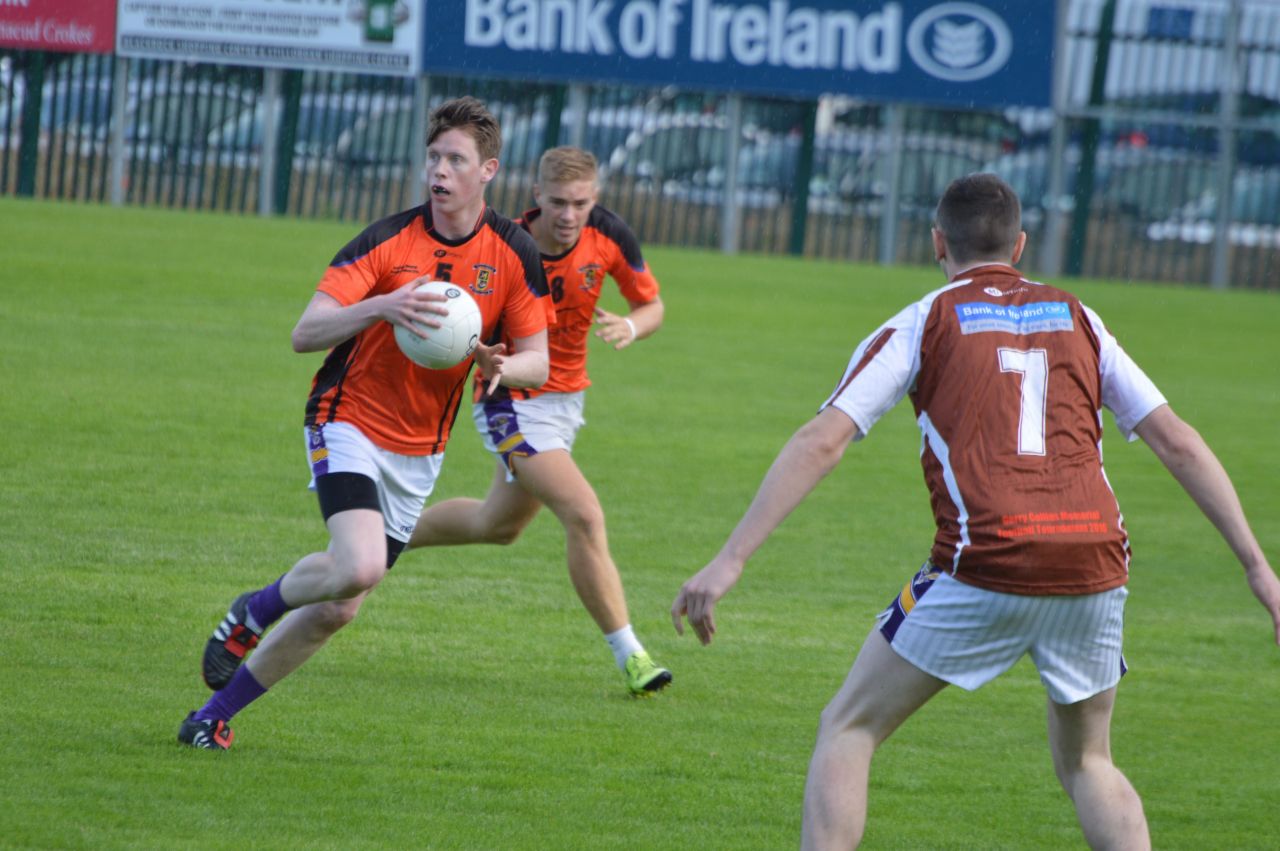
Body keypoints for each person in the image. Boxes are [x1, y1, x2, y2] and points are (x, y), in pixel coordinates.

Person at [670, 173, 1280, 849]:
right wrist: (1259, 568)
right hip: (1095, 559)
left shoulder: (924, 319)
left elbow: (823, 441)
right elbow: (1178, 440)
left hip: (987, 558)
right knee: (1089, 761)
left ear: (938, 242)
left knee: (849, 727)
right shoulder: (1080, 316)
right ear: (1019, 245)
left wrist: (731, 558)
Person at [179, 96, 551, 750]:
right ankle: (254, 609)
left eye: (455, 160)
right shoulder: (388, 240)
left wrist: (498, 364)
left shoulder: (514, 252)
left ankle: (211, 716)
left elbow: (537, 362)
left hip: (419, 452)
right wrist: (382, 304)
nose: (438, 170)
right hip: (346, 418)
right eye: (433, 157)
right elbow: (305, 332)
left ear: (488, 170)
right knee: (359, 564)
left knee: (340, 606)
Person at [407, 146, 672, 696]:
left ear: (595, 199)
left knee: (497, 526)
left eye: (581, 203)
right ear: (537, 197)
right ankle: (632, 655)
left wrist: (633, 326)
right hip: (510, 399)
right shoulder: (507, 244)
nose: (569, 215)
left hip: (567, 403)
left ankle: (388, 535)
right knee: (584, 514)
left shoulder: (611, 236)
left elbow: (653, 306)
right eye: (558, 202)